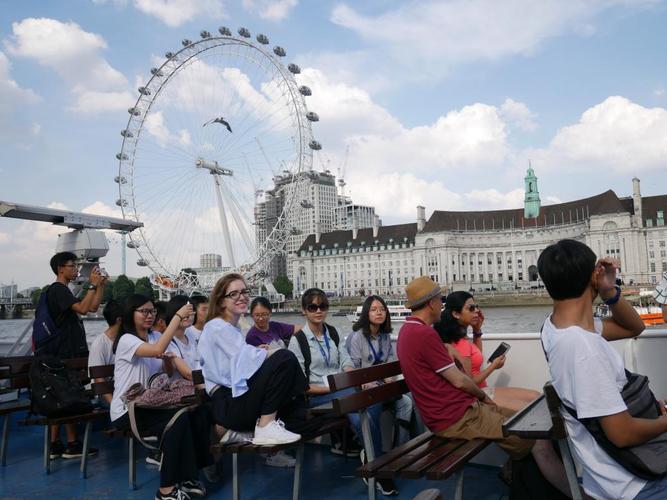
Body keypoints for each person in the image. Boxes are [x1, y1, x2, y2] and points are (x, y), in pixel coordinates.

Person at [397, 276, 570, 497]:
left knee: (531, 424)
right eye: (440, 299)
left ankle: (530, 486)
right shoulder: (424, 334)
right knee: (537, 438)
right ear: (431, 303)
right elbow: (460, 380)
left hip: (456, 412)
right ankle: (576, 494)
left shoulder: (408, 331)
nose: (442, 304)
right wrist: (483, 397)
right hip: (456, 418)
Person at [538, 239, 667, 499]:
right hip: (636, 482)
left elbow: (634, 328)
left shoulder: (555, 327)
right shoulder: (581, 347)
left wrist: (610, 293)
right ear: (593, 275)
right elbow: (622, 434)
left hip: (617, 472)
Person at [287, 289, 399, 496]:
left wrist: (349, 378)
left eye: (323, 306)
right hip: (317, 397)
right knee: (359, 399)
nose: (319, 310)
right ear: (304, 311)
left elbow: (346, 362)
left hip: (342, 391)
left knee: (370, 397)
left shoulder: (334, 333)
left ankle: (371, 458)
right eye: (313, 307)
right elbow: (302, 386)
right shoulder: (298, 341)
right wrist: (336, 387)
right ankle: (378, 466)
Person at [110, 294, 210, 500]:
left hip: (153, 404)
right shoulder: (127, 340)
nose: (150, 315)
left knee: (197, 413)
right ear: (131, 314)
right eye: (144, 311)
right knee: (176, 421)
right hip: (128, 410)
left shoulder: (155, 337)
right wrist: (177, 317)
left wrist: (167, 363)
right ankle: (166, 490)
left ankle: (189, 477)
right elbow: (156, 350)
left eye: (152, 311)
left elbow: (166, 368)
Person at [198, 273, 307, 446]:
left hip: (236, 400)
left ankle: (269, 440)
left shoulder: (232, 329)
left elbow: (240, 358)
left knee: (297, 410)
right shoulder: (216, 326)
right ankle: (265, 425)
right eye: (234, 294)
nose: (241, 297)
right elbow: (243, 357)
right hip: (229, 404)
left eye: (244, 292)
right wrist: (269, 353)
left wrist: (257, 352)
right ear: (221, 301)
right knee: (285, 357)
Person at [45, 251, 107, 459]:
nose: (76, 269)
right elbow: (82, 308)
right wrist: (91, 285)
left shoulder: (64, 292)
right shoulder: (58, 290)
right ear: (60, 268)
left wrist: (100, 286)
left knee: (63, 397)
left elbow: (92, 307)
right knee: (68, 396)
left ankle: (57, 444)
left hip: (65, 353)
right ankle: (71, 443)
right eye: (72, 266)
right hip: (63, 353)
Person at [434, 291, 539, 412]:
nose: (476, 311)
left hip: (482, 390)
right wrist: (493, 366)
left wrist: (477, 330)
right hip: (477, 396)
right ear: (456, 314)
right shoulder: (459, 343)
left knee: (534, 397)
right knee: (530, 405)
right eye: (471, 308)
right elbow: (469, 382)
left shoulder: (461, 338)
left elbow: (475, 356)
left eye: (476, 307)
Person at [347, 295, 414, 447]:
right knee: (375, 401)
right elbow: (353, 369)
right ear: (366, 313)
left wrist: (390, 379)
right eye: (374, 310)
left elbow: (390, 363)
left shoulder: (385, 337)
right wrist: (365, 383)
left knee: (407, 402)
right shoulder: (356, 337)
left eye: (382, 309)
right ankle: (370, 449)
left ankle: (401, 447)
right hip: (363, 389)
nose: (379, 313)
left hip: (381, 386)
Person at [88, 300, 122, 406]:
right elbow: (99, 379)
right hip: (107, 395)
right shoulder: (99, 344)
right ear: (119, 320)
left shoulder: (126, 339)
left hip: (124, 392)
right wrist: (113, 405)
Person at [164, 295, 199, 381]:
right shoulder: (167, 341)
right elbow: (188, 374)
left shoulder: (192, 335)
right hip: (183, 391)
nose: (187, 316)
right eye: (183, 312)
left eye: (190, 312)